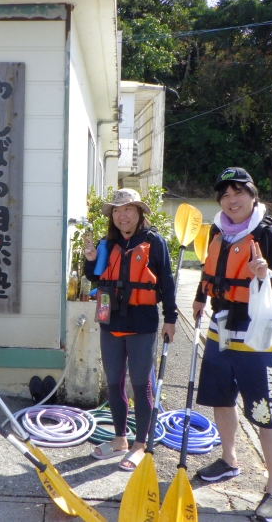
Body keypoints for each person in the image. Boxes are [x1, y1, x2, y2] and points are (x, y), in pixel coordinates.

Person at [192, 167, 272, 522]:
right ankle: (229, 459)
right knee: (221, 399)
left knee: (264, 411)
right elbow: (211, 271)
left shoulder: (268, 235)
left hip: (256, 337)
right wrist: (197, 298)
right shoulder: (217, 230)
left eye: (238, 193)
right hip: (220, 329)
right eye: (224, 195)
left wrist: (265, 273)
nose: (231, 200)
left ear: (252, 196)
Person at [83, 188, 177, 471]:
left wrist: (170, 317)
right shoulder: (106, 243)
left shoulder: (154, 242)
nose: (122, 215)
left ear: (139, 213)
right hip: (110, 320)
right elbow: (94, 276)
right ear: (112, 216)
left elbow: (167, 283)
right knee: (113, 382)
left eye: (128, 209)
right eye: (116, 210)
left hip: (142, 323)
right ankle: (119, 439)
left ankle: (140, 445)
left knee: (141, 384)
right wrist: (89, 257)